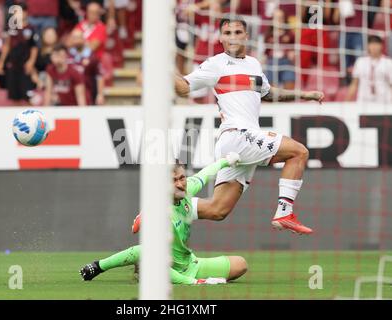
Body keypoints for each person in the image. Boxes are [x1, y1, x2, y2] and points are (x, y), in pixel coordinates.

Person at [175, 18, 325, 235]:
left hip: (239, 144)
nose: (233, 37)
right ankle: (284, 212)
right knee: (298, 152)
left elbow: (270, 93)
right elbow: (183, 88)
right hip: (237, 135)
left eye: (238, 32)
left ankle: (162, 211)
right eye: (227, 33)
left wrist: (305, 95)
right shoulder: (216, 63)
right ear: (220, 38)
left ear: (246, 36)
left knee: (218, 210)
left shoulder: (253, 64)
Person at [79, 154, 249, 285]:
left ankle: (148, 271)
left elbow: (205, 173)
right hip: (167, 267)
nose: (180, 184)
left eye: (182, 178)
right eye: (173, 180)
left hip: (190, 265)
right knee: (145, 252)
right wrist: (194, 282)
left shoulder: (187, 188)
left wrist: (226, 160)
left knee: (240, 265)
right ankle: (98, 266)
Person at [0, 3, 38, 105]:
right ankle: (18, 119)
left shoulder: (31, 28)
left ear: (26, 13)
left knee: (28, 96)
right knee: (14, 97)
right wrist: (1, 62)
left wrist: (31, 62)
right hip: (13, 65)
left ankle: (33, 118)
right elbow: (6, 46)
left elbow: (34, 47)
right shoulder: (11, 28)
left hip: (25, 66)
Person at [346, 35, 392, 104]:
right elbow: (354, 84)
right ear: (368, 46)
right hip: (363, 102)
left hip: (384, 102)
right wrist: (346, 102)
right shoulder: (360, 61)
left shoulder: (388, 62)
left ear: (381, 46)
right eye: (371, 44)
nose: (374, 47)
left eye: (376, 44)